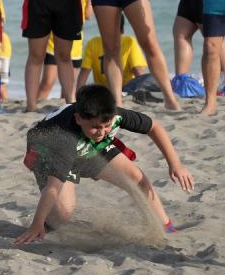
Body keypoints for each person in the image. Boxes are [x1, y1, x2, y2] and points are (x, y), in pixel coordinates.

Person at [15, 85, 194, 245]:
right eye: (95, 127)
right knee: (62, 215)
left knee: (135, 178)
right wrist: (35, 225)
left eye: (106, 126)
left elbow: (154, 127)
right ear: (78, 119)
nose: (102, 132)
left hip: (88, 144)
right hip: (49, 149)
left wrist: (175, 164)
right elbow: (53, 188)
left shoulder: (113, 117)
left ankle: (166, 227)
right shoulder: (64, 138)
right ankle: (46, 222)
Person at [39, 0, 92, 102]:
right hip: (53, 45)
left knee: (68, 88)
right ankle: (36, 106)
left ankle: (64, 111)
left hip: (75, 48)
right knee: (47, 82)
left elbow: (87, 15)